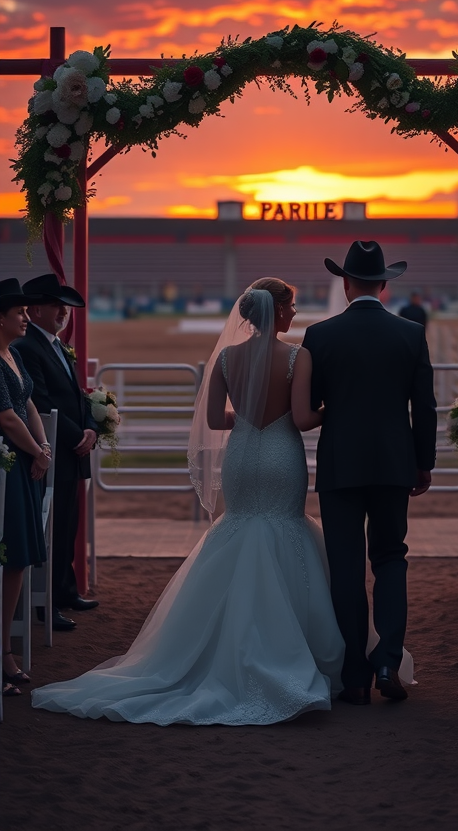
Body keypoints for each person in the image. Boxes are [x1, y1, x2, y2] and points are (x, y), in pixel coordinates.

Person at [32, 278, 345, 725]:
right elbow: (301, 418)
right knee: (283, 528)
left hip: (241, 454)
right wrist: (328, 411)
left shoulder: (226, 358)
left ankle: (215, 645)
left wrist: (250, 418)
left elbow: (216, 418)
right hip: (281, 455)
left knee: (240, 527)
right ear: (276, 311)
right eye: (291, 306)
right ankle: (290, 644)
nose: (295, 313)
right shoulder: (299, 356)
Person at [293, 240, 437, 705]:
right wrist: (424, 462)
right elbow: (426, 407)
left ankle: (353, 672)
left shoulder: (320, 335)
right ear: (385, 286)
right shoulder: (410, 334)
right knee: (392, 558)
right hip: (394, 462)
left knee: (347, 567)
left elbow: (311, 404)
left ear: (346, 283)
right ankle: (388, 660)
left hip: (342, 462)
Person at [15, 273, 99, 631]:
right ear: (34, 310)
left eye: (63, 306)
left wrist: (92, 425)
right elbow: (42, 402)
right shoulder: (28, 347)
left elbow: (72, 395)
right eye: (56, 305)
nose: (63, 312)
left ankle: (63, 590)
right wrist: (77, 433)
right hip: (57, 448)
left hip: (70, 447)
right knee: (54, 526)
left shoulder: (53, 344)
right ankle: (47, 600)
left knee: (67, 524)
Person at [0, 279, 50, 698]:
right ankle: (3, 654)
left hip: (22, 464)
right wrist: (37, 451)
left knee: (17, 561)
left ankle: (4, 651)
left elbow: (28, 404)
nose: (26, 317)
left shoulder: (13, 355)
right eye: (19, 312)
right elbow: (6, 418)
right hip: (7, 465)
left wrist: (43, 447)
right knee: (12, 556)